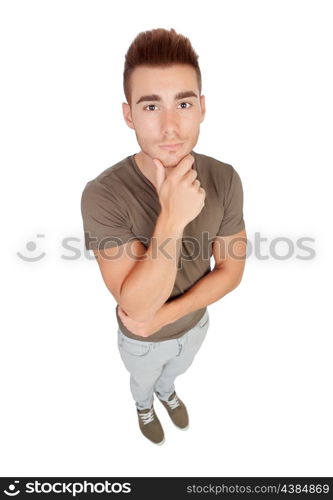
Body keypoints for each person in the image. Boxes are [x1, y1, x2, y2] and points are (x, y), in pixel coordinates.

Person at [81, 28, 247, 445]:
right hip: (141, 342)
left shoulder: (224, 178)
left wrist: (172, 315)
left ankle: (168, 393)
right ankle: (143, 404)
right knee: (143, 380)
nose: (171, 126)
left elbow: (231, 271)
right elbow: (135, 304)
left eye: (184, 103)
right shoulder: (103, 194)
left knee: (177, 370)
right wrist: (172, 218)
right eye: (151, 105)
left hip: (195, 324)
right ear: (128, 115)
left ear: (202, 108)